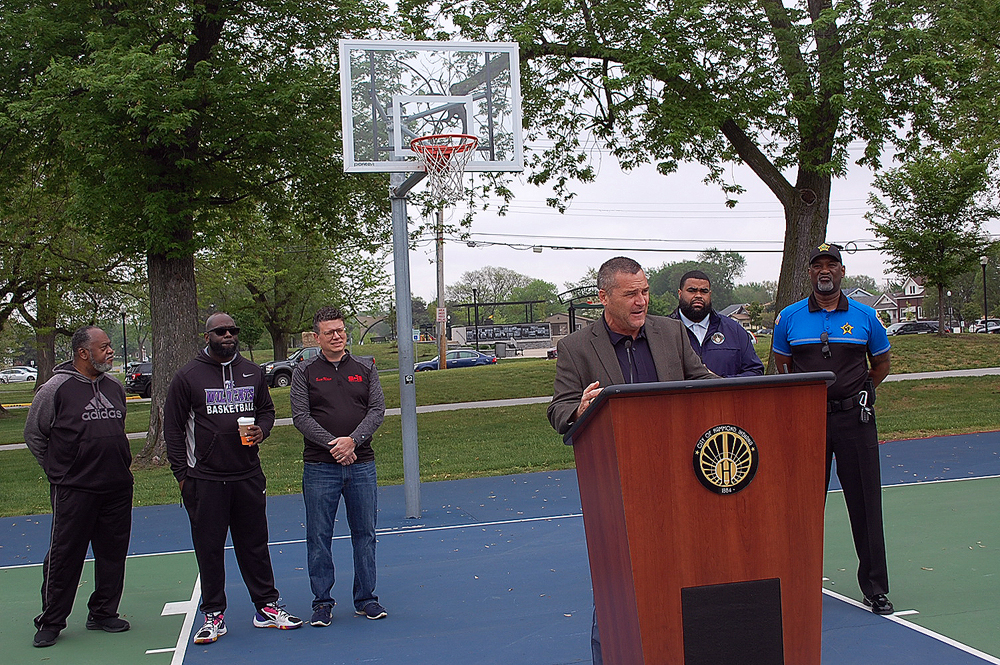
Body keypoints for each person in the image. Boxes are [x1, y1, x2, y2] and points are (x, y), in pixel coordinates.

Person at [546, 257, 715, 663]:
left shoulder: (671, 331)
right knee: (618, 587)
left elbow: (702, 381)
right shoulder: (576, 347)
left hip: (683, 479)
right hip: (619, 488)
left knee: (687, 577)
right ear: (603, 297)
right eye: (630, 294)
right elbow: (559, 410)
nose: (641, 301)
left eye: (644, 292)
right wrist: (579, 410)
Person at [165, 313, 302, 644]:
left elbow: (267, 412)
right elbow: (172, 427)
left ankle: (267, 607)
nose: (228, 335)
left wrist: (262, 430)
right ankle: (214, 615)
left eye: (233, 331)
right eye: (221, 331)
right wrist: (183, 476)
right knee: (210, 548)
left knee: (254, 544)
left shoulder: (253, 372)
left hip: (247, 474)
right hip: (205, 478)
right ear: (208, 335)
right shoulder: (188, 376)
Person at [772, 243, 894, 615]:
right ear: (809, 273)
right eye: (818, 266)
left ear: (842, 272)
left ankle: (874, 587)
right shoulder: (789, 317)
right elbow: (782, 364)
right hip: (807, 421)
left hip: (854, 420)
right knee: (803, 504)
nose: (824, 271)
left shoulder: (865, 315)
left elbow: (882, 362)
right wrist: (802, 400)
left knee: (866, 502)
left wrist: (862, 390)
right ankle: (795, 581)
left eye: (832, 265)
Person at [24, 326, 133, 648]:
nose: (110, 351)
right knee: (65, 555)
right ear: (83, 353)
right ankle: (51, 620)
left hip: (116, 486)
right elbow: (35, 435)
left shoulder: (114, 386)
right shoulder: (55, 388)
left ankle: (103, 612)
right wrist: (59, 470)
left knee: (112, 553)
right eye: (104, 347)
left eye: (110, 346)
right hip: (75, 488)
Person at [291, 306, 387, 627]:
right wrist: (335, 444)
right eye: (330, 332)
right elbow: (301, 417)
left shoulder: (365, 366)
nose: (337, 336)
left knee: (365, 534)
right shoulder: (304, 371)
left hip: (361, 464)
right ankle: (322, 601)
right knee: (319, 536)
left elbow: (376, 410)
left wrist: (353, 441)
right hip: (320, 467)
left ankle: (366, 598)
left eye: (341, 330)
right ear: (317, 337)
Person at [668, 270, 764, 377]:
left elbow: (755, 371)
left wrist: (720, 383)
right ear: (680, 294)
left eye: (704, 291)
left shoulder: (734, 330)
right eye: (692, 290)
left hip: (725, 393)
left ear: (710, 294)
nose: (698, 295)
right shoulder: (664, 331)